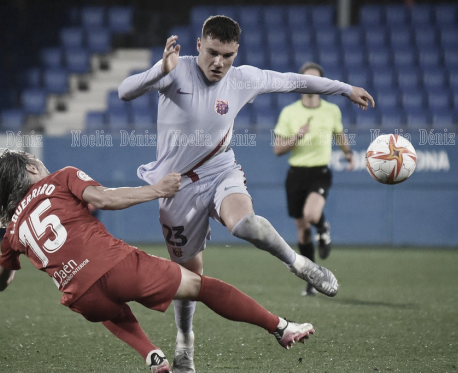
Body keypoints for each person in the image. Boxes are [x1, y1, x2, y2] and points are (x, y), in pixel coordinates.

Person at [118, 15, 374, 372]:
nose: (219, 62)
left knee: (246, 224)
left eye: (227, 55)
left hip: (219, 169)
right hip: (176, 186)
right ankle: (185, 342)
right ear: (199, 46)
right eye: (212, 53)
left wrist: (346, 89)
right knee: (189, 278)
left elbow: (293, 80)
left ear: (236, 51)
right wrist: (159, 69)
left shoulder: (242, 79)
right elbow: (124, 91)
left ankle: (299, 264)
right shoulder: (175, 70)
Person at [0, 149, 318, 373]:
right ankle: (281, 328)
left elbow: (2, 281)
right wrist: (156, 190)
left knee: (109, 308)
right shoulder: (60, 178)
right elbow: (104, 199)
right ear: (29, 168)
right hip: (115, 266)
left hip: (81, 298)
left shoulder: (13, 231)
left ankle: (151, 355)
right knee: (201, 287)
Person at [273, 62, 355, 296]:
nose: (311, 84)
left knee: (311, 215)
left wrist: (348, 154)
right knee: (302, 232)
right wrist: (296, 137)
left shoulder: (331, 110)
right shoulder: (289, 112)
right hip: (296, 174)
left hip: (319, 172)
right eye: (307, 80)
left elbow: (339, 134)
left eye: (316, 80)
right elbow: (277, 149)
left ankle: (323, 226)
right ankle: (312, 279)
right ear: (301, 83)